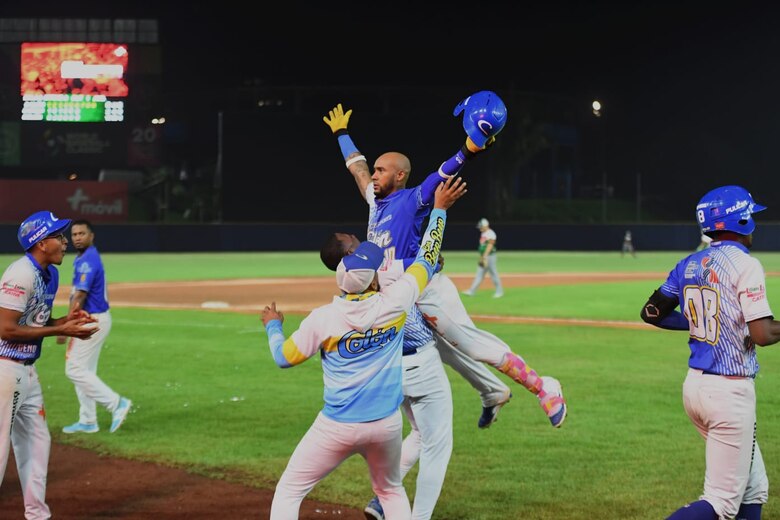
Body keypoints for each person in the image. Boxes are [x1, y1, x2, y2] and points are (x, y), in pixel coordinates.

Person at [323, 101, 567, 432]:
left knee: (470, 344)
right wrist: (341, 134)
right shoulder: (374, 202)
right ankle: (493, 392)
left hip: (426, 291)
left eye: (382, 170)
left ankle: (544, 388)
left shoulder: (412, 199)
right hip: (402, 298)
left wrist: (468, 149)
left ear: (400, 175)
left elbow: (443, 173)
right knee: (444, 350)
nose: (375, 175)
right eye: (375, 170)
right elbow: (357, 168)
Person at [261, 176, 465, 520]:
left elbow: (284, 358)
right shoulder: (396, 301)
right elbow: (428, 257)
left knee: (290, 491)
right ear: (373, 279)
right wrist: (440, 211)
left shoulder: (323, 319)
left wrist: (273, 327)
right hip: (384, 425)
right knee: (390, 491)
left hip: (337, 426)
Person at [640, 185, 779, 520]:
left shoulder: (689, 262)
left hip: (696, 389)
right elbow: (761, 334)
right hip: (728, 392)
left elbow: (651, 312)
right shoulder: (745, 264)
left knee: (754, 487)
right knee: (720, 504)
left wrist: (698, 323)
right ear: (742, 221)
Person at [322, 232, 454, 520]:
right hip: (421, 365)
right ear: (351, 263)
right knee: (437, 445)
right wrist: (439, 214)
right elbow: (424, 264)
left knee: (420, 434)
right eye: (351, 242)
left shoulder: (344, 305)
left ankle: (382, 502)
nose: (355, 238)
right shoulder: (389, 289)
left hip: (390, 373)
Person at [0, 210, 99, 519]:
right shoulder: (21, 274)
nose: (65, 241)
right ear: (41, 244)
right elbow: (6, 328)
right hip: (5, 370)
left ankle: (37, 514)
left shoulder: (50, 274)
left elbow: (33, 322)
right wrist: (60, 330)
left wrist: (65, 321)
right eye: (58, 236)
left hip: (27, 371)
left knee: (38, 442)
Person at [58, 219, 131, 434]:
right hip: (94, 318)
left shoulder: (87, 261)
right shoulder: (85, 258)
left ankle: (116, 403)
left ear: (91, 236)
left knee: (74, 369)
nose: (77, 237)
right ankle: (88, 420)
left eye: (82, 233)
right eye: (74, 234)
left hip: (92, 319)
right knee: (85, 370)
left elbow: (80, 295)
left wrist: (66, 325)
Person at [462, 217, 504, 298]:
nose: (480, 228)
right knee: (479, 274)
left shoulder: (491, 233)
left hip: (490, 256)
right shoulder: (484, 233)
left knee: (493, 273)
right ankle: (471, 291)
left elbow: (490, 245)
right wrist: (482, 256)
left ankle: (499, 291)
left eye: (481, 226)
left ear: (485, 225)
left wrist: (485, 256)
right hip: (484, 256)